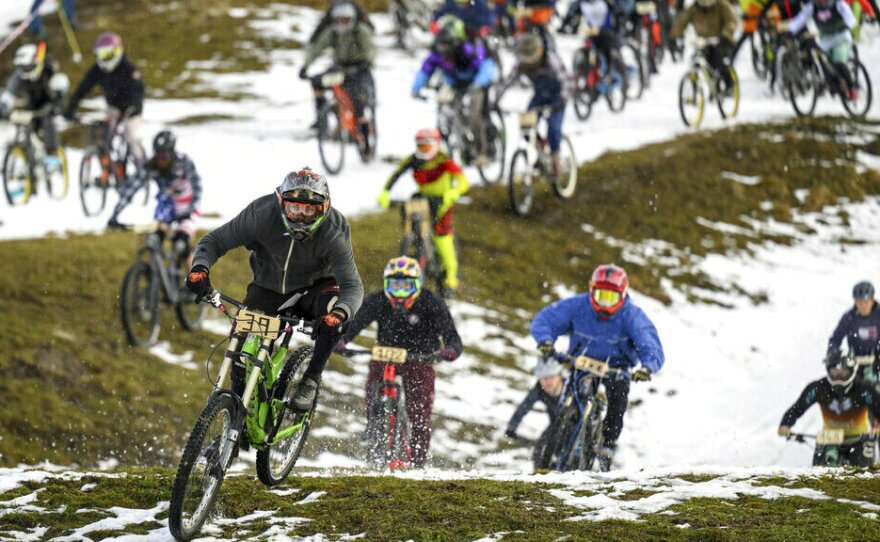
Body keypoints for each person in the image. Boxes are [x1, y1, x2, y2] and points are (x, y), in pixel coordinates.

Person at [186, 168, 364, 414]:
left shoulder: (333, 230)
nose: (301, 216)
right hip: (269, 288)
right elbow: (214, 241)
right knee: (239, 351)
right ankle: (235, 417)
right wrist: (200, 269)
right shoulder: (261, 214)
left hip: (317, 288)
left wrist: (341, 314)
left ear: (323, 208)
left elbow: (352, 286)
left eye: (309, 210)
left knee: (333, 312)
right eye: (294, 208)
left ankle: (311, 378)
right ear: (281, 202)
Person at [530, 263, 664, 471]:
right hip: (582, 362)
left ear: (622, 295)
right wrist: (545, 340)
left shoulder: (632, 316)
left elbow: (649, 341)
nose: (603, 304)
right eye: (600, 295)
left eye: (610, 297)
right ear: (591, 290)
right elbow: (546, 319)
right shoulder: (578, 305)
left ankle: (607, 446)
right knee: (566, 403)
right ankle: (554, 447)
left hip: (616, 368)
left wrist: (647, 366)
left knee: (617, 400)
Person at [334, 256, 463, 468]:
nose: (399, 292)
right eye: (394, 285)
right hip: (385, 355)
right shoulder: (378, 300)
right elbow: (356, 322)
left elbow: (453, 338)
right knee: (373, 394)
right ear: (386, 284)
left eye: (406, 286)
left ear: (418, 285)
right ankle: (375, 427)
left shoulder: (432, 303)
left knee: (419, 414)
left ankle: (417, 462)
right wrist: (342, 339)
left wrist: (449, 351)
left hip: (419, 358)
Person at [377, 128, 470, 296]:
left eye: (426, 147)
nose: (423, 150)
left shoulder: (444, 160)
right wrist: (386, 192)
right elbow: (397, 173)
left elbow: (463, 181)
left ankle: (450, 276)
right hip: (423, 198)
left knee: (442, 236)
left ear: (435, 145)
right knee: (409, 217)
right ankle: (413, 246)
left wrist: (453, 193)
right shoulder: (413, 160)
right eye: (420, 146)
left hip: (442, 201)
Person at [107, 131, 203, 268]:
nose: (161, 159)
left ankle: (197, 284)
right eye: (158, 154)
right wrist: (115, 214)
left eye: (165, 155)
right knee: (156, 237)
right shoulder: (151, 165)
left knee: (182, 244)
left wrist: (191, 208)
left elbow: (197, 186)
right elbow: (130, 189)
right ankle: (156, 276)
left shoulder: (184, 161)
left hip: (186, 206)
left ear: (172, 152)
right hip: (166, 206)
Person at [411, 15, 496, 165]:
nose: (443, 50)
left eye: (446, 46)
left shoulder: (470, 50)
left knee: (474, 114)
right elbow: (425, 70)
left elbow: (487, 66)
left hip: (475, 83)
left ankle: (482, 151)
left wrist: (478, 84)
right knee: (448, 107)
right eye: (441, 46)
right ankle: (458, 142)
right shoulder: (437, 54)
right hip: (455, 84)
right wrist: (416, 89)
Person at [779, 349, 880, 466]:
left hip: (860, 440)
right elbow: (798, 407)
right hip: (828, 441)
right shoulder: (818, 388)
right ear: (828, 370)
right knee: (821, 472)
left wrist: (876, 430)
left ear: (852, 371)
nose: (839, 377)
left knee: (862, 474)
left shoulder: (864, 389)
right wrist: (785, 424)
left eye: (843, 373)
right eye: (835, 372)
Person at [299, 0, 376, 154]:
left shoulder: (361, 30)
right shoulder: (332, 32)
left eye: (344, 20)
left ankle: (366, 143)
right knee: (317, 82)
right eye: (339, 20)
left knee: (358, 102)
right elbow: (317, 48)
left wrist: (367, 62)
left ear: (351, 19)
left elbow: (371, 49)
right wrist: (305, 66)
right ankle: (322, 116)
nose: (341, 23)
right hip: (340, 69)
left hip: (359, 70)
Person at [494, 32, 573, 178]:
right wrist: (495, 100)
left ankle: (556, 162)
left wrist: (562, 100)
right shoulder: (521, 65)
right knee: (526, 127)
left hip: (557, 97)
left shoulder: (551, 60)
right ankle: (541, 149)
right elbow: (507, 81)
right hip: (540, 96)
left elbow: (567, 81)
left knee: (553, 128)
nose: (528, 59)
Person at [64, 31, 146, 167]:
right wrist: (70, 109)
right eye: (101, 55)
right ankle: (107, 169)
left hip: (132, 110)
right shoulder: (97, 69)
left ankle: (141, 167)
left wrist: (135, 107)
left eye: (108, 54)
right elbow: (82, 89)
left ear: (117, 52)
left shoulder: (128, 68)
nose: (105, 58)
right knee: (103, 136)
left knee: (129, 136)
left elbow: (139, 89)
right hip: (113, 108)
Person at [0, 42, 69, 172]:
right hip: (31, 108)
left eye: (27, 66)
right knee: (25, 128)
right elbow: (10, 91)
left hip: (50, 106)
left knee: (48, 123)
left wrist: (57, 105)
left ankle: (52, 155)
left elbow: (60, 88)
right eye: (21, 67)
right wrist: (3, 106)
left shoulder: (48, 71)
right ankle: (29, 162)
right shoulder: (19, 75)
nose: (25, 70)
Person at [784, 0, 859, 100]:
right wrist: (790, 30)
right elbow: (801, 19)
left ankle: (852, 86)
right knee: (827, 65)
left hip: (841, 37)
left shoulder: (838, 4)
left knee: (839, 60)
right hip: (825, 40)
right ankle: (835, 85)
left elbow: (850, 17)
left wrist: (848, 25)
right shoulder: (812, 7)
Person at [505, 357, 564, 464]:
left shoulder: (570, 386)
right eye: (543, 378)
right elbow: (524, 407)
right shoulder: (539, 390)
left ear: (559, 375)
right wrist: (512, 427)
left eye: (551, 376)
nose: (547, 382)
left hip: (578, 425)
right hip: (555, 425)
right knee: (539, 451)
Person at [670, 0, 738, 93]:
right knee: (695, 59)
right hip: (704, 41)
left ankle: (729, 84)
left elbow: (731, 21)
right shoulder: (694, 8)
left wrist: (725, 34)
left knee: (717, 60)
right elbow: (682, 21)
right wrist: (674, 35)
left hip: (722, 40)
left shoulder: (722, 5)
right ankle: (697, 88)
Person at [827, 281, 880, 382]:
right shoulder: (849, 317)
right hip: (854, 363)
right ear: (855, 302)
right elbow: (836, 339)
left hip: (877, 361)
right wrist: (833, 354)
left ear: (872, 300)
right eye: (859, 302)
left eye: (866, 302)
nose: (863, 306)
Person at [308, 0, 373, 45]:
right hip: (338, 41)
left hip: (354, 40)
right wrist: (313, 39)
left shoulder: (355, 7)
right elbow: (323, 24)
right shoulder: (332, 8)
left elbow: (368, 25)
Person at [432, 0, 497, 39]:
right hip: (464, 30)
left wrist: (487, 26)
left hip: (480, 28)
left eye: (465, 4)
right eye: (459, 4)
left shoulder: (479, 2)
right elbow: (441, 11)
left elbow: (489, 14)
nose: (462, 6)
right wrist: (434, 21)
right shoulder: (451, 3)